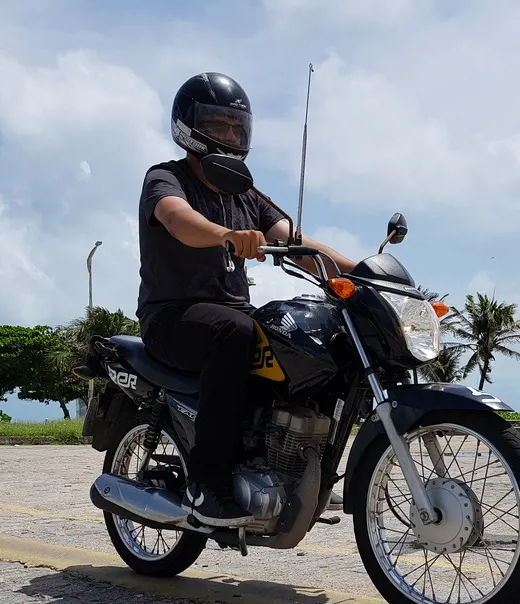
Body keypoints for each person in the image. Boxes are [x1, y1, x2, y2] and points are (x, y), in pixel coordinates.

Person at [135, 72, 356, 527]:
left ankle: (303, 470)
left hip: (229, 314)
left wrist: (362, 273)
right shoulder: (166, 177)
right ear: (189, 126)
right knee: (234, 332)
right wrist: (227, 236)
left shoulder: (247, 193)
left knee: (305, 339)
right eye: (218, 125)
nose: (229, 135)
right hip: (172, 316)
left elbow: (298, 242)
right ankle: (206, 483)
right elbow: (178, 220)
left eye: (236, 127)